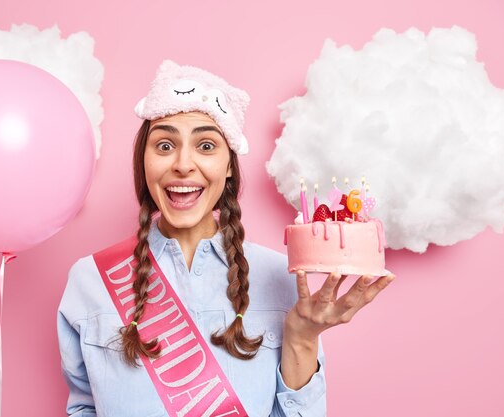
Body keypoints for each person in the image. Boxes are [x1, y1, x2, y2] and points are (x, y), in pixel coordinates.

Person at [57, 60, 395, 417]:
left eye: (205, 146)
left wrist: (302, 337)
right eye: (164, 145)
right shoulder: (90, 280)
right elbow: (84, 409)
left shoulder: (281, 276)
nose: (183, 164)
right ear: (144, 161)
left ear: (230, 165)